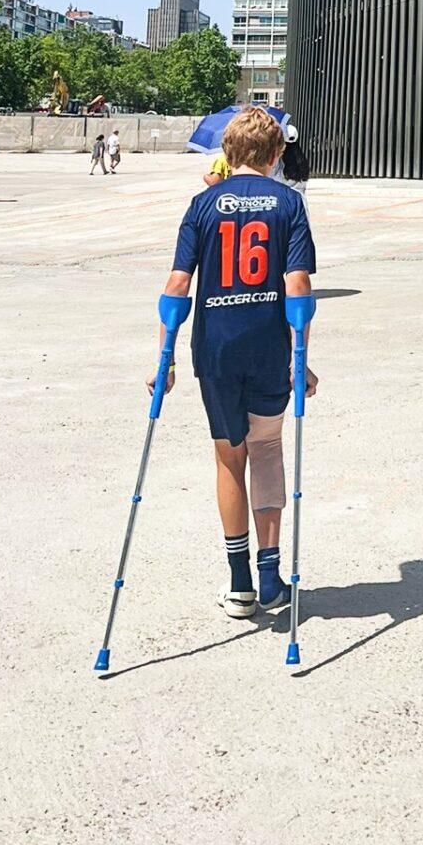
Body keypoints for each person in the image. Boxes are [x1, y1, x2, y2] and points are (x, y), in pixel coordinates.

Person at [151, 106, 317, 620]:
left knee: (229, 456)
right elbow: (299, 289)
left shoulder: (202, 205)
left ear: (228, 153)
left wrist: (165, 360)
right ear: (275, 155)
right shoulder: (290, 204)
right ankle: (271, 578)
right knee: (266, 449)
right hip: (267, 346)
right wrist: (301, 357)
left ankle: (239, 583)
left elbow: (177, 287)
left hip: (215, 349)